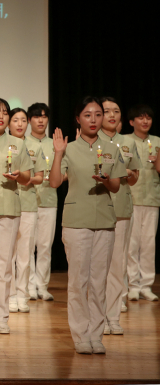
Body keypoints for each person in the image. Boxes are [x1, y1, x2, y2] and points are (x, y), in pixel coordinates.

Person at [49, 96, 127, 355]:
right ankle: (81, 335)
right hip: (76, 221)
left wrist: (106, 180)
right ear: (78, 119)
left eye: (98, 114)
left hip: (104, 220)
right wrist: (59, 154)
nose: (94, 120)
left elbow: (116, 186)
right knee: (78, 281)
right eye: (88, 115)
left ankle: (96, 334)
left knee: (99, 281)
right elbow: (55, 182)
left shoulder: (112, 148)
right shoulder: (69, 148)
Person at [0, 99, 32, 335]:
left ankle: (1, 316)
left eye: (4, 112)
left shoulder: (18, 144)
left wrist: (19, 176)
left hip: (10, 208)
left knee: (4, 266)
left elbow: (27, 177)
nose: (1, 116)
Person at [98, 97, 140, 334]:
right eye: (106, 111)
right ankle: (98, 317)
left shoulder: (128, 142)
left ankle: (113, 317)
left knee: (117, 266)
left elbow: (134, 177)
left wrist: (128, 174)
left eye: (116, 111)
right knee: (99, 267)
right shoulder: (93, 141)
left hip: (122, 208)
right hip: (99, 206)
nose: (111, 115)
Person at [8, 107, 46, 313]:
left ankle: (22, 294)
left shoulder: (34, 147)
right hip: (6, 203)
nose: (20, 124)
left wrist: (27, 178)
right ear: (8, 124)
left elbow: (40, 176)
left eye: (23, 120)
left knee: (25, 254)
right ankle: (9, 295)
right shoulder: (3, 145)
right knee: (8, 255)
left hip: (29, 204)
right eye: (16, 120)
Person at [125, 104, 159, 302]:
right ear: (132, 122)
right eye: (141, 118)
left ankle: (146, 285)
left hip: (152, 197)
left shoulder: (157, 141)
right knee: (132, 243)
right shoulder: (125, 141)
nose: (145, 121)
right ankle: (132, 285)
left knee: (148, 244)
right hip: (132, 197)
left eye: (148, 118)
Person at [28, 103, 57, 301]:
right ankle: (29, 285)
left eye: (44, 117)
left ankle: (42, 285)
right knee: (27, 246)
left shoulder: (55, 144)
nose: (41, 120)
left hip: (48, 198)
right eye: (37, 116)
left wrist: (54, 177)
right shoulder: (22, 143)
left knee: (45, 245)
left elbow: (64, 173)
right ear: (30, 119)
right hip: (27, 200)